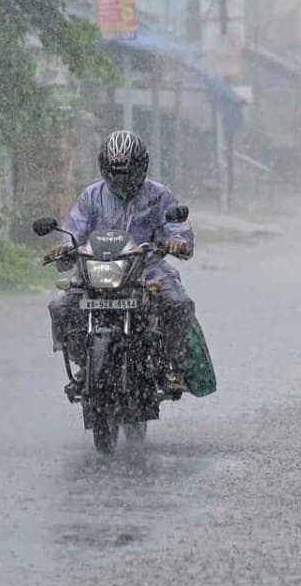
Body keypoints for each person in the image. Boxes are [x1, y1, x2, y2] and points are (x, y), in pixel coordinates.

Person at [46, 130, 195, 395]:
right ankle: (85, 362)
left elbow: (177, 228)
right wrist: (65, 248)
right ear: (104, 168)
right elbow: (74, 229)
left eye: (126, 172)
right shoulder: (92, 196)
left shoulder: (159, 195)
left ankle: (172, 365)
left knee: (179, 304)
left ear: (141, 166)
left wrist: (177, 242)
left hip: (148, 268)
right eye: (114, 172)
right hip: (99, 269)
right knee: (62, 306)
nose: (120, 179)